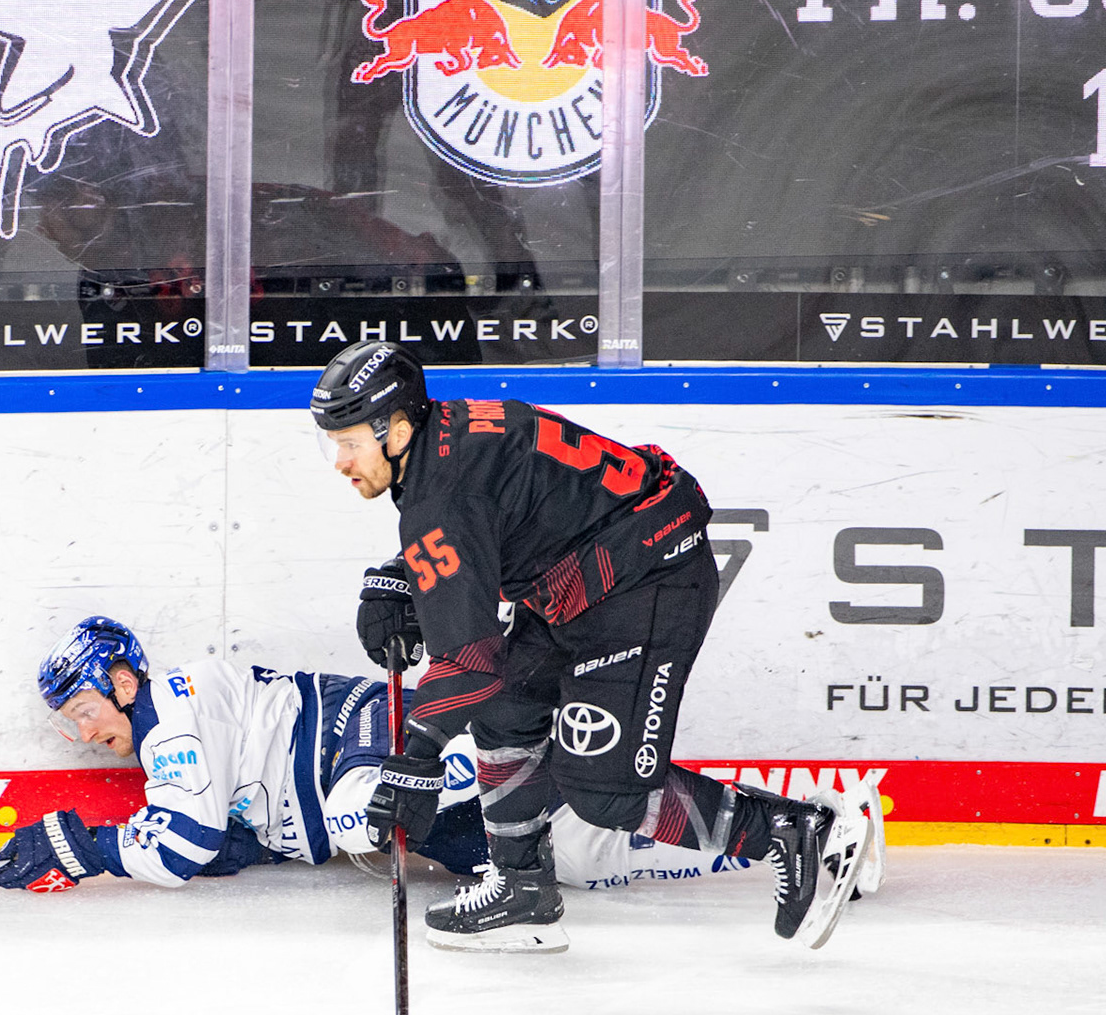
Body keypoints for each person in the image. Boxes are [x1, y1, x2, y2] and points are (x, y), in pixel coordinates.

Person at [311, 340, 879, 953]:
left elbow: (468, 660)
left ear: (396, 430)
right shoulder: (451, 430)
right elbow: (496, 517)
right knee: (506, 708)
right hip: (594, 578)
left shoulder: (439, 495)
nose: (339, 462)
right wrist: (403, 575)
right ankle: (523, 888)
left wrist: (417, 759)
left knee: (604, 789)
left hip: (647, 582)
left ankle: (791, 828)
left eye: (349, 443)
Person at [0, 617, 767, 913]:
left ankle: (541, 741)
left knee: (364, 810)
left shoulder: (171, 716)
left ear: (123, 683)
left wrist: (81, 846)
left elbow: (181, 843)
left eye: (84, 712)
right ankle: (790, 830)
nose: (84, 734)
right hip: (375, 786)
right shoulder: (170, 728)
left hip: (363, 736)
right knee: (581, 855)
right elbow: (220, 833)